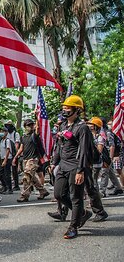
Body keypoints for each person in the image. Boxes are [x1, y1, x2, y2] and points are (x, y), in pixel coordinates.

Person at [52, 95, 94, 239]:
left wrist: (80, 170)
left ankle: (73, 226)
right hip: (63, 165)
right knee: (59, 194)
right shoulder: (63, 125)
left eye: (68, 107)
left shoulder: (82, 128)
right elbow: (59, 146)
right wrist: (54, 162)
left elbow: (84, 150)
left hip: (75, 166)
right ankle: (82, 213)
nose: (64, 109)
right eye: (64, 107)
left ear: (77, 110)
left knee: (76, 197)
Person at [13, 119, 50, 202]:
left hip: (33, 159)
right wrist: (15, 157)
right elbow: (21, 148)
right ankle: (43, 191)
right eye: (29, 125)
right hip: (25, 160)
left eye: (32, 125)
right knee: (32, 177)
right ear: (25, 127)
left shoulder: (34, 135)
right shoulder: (23, 137)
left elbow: (38, 128)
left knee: (27, 177)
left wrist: (37, 116)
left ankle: (24, 195)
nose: (31, 126)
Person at [100, 119, 124, 196]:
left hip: (108, 155)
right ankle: (118, 188)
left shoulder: (108, 133)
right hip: (104, 155)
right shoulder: (101, 132)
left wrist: (110, 157)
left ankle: (102, 191)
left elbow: (112, 145)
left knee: (105, 172)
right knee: (110, 172)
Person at [4, 120, 21, 191]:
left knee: (14, 170)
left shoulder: (16, 134)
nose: (8, 127)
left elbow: (17, 144)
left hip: (13, 153)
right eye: (6, 126)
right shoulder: (7, 134)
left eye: (9, 126)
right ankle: (7, 185)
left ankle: (16, 185)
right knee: (7, 170)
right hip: (7, 154)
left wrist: (16, 155)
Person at [0, 126, 14, 194]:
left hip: (7, 159)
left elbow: (8, 150)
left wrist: (5, 160)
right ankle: (5, 186)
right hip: (2, 159)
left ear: (6, 133)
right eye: (1, 131)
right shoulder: (1, 140)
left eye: (3, 131)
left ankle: (9, 189)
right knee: (0, 173)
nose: (1, 133)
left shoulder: (7, 140)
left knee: (7, 174)